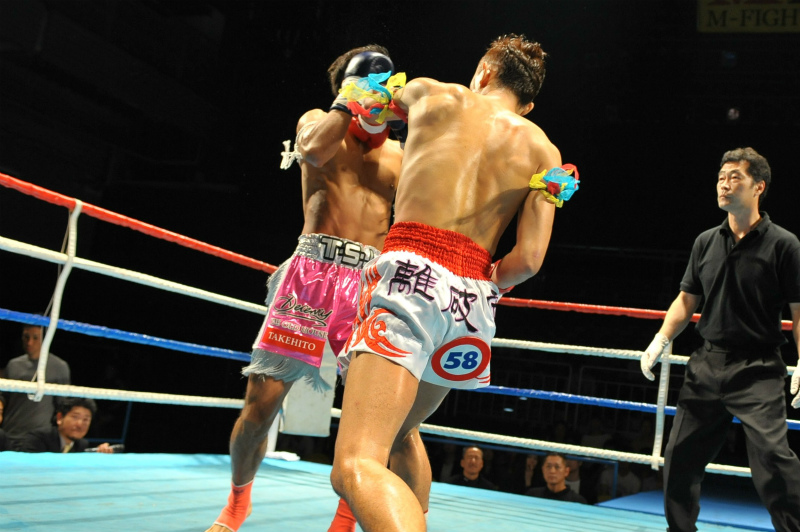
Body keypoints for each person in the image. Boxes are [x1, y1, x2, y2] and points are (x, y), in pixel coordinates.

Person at [331, 34, 578, 532]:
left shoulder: (431, 93)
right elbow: (529, 260)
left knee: (354, 464)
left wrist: (362, 90)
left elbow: (367, 103)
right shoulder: (544, 149)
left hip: (411, 278)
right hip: (473, 303)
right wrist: (482, 280)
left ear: (484, 71)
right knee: (401, 432)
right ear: (528, 104)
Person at [205, 45, 423, 532]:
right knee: (260, 406)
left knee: (374, 417)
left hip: (370, 283)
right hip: (311, 276)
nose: (380, 91)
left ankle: (345, 522)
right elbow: (313, 151)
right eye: (369, 81)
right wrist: (349, 99)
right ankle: (237, 503)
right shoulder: (319, 124)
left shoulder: (401, 153)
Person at [640, 147, 800, 532]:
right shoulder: (705, 241)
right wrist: (660, 339)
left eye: (735, 178)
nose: (724, 185)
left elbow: (799, 311)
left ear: (759, 186)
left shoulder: (784, 244)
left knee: (774, 462)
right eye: (721, 178)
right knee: (679, 458)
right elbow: (686, 299)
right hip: (707, 364)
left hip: (758, 368)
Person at [1, 323, 71, 449]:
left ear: (45, 338)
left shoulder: (59, 367)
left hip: (40, 437)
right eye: (26, 337)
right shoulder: (13, 365)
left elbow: (63, 405)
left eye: (35, 337)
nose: (29, 342)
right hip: (10, 432)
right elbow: (3, 397)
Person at [18, 397, 113, 453]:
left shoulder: (82, 445)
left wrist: (99, 455)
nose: (80, 424)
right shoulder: (37, 439)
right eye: (75, 417)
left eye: (86, 419)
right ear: (60, 418)